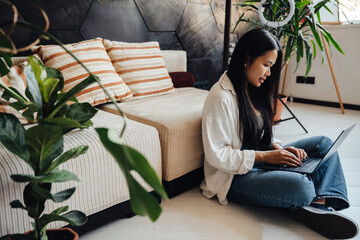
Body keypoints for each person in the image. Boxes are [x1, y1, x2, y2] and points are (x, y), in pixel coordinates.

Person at [200, 28, 358, 239]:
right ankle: (311, 199)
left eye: (271, 67)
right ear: (247, 58)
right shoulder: (220, 97)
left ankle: (318, 207)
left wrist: (276, 147)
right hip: (233, 178)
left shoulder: (253, 88)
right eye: (266, 65)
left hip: (259, 159)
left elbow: (258, 134)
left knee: (325, 143)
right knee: (302, 188)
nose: (268, 73)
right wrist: (267, 156)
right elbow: (217, 155)